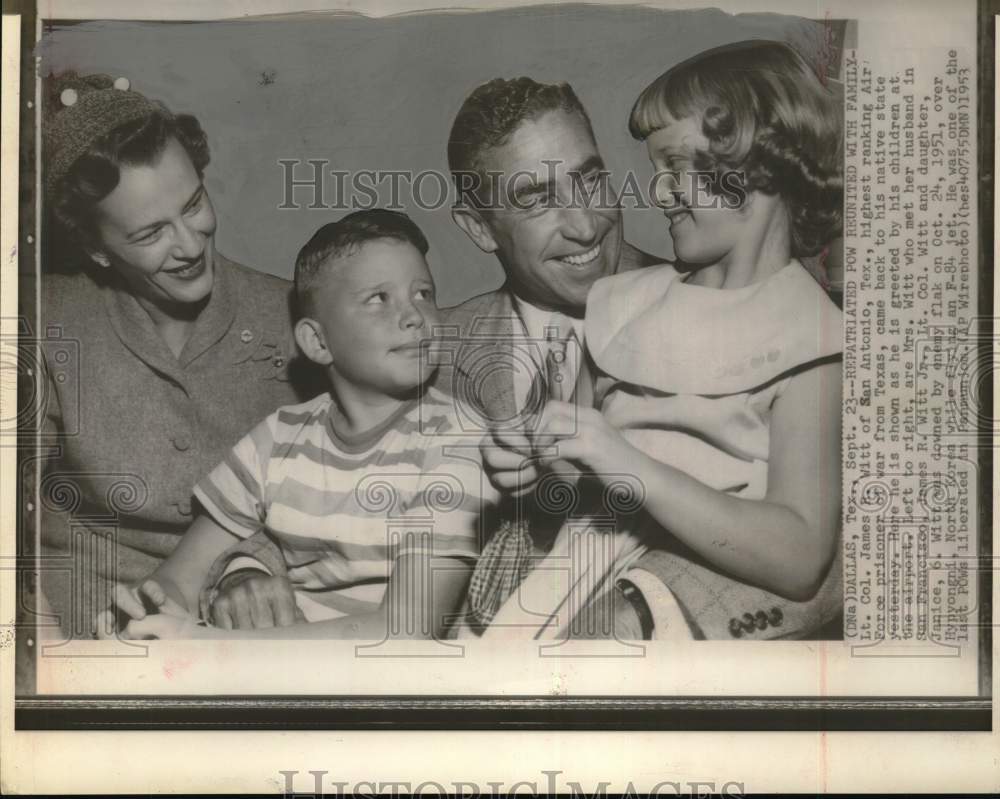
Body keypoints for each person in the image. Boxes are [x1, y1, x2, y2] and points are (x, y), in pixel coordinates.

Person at [471, 41, 844, 639]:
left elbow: (801, 560)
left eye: (675, 166)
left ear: (761, 167)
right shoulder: (621, 306)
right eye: (654, 171)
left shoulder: (815, 338)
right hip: (568, 581)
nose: (658, 192)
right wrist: (536, 462)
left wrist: (627, 464)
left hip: (681, 624)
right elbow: (581, 491)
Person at [101, 210, 491, 639]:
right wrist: (145, 610)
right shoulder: (278, 436)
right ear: (318, 342)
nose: (415, 315)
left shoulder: (456, 438)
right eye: (379, 298)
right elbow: (181, 578)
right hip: (275, 668)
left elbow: (405, 631)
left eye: (423, 293)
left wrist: (214, 647)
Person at [34, 72, 318, 639]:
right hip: (81, 625)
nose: (189, 245)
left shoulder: (295, 315)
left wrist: (248, 563)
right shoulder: (47, 318)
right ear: (96, 249)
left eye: (194, 206)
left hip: (240, 622)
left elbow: (341, 482)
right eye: (150, 234)